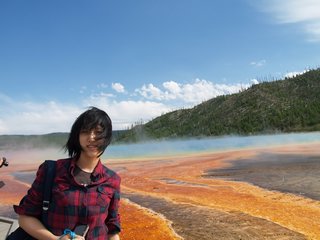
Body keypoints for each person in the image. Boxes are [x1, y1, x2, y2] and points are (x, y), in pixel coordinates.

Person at [13, 107, 121, 240]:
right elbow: (25, 217)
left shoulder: (112, 180)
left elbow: (112, 228)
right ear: (77, 136)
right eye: (85, 132)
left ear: (107, 137)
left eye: (98, 132)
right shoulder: (52, 170)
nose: (92, 138)